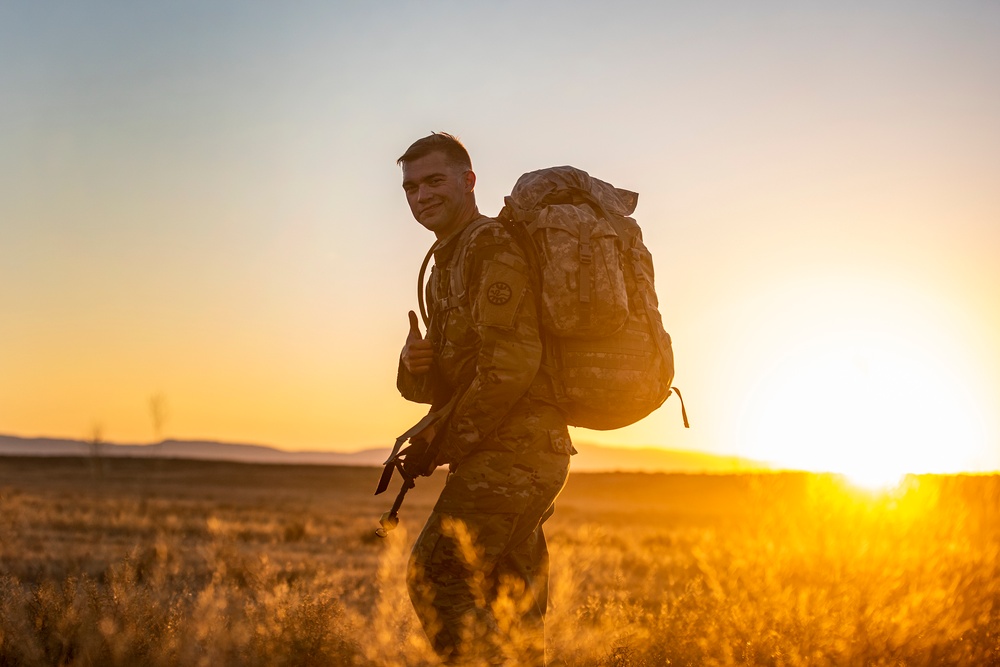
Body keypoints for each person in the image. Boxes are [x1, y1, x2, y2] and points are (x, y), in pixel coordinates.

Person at [395, 132, 574, 665]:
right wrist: (412, 369)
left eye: (433, 181)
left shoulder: (491, 247)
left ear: (468, 181)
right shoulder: (442, 263)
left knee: (438, 573)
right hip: (507, 452)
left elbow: (511, 365)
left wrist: (443, 442)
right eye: (409, 187)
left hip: (517, 452)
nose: (420, 195)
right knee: (510, 603)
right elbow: (452, 380)